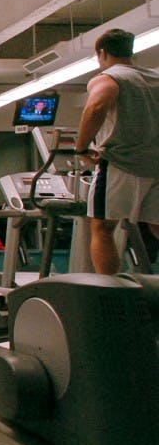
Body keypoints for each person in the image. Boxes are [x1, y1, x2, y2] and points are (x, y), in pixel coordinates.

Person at [74, 28, 159, 275]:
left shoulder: (109, 77)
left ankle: (109, 291)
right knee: (156, 225)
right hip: (155, 165)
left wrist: (81, 148)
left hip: (122, 163)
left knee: (102, 226)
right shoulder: (154, 79)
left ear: (102, 53)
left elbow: (96, 107)